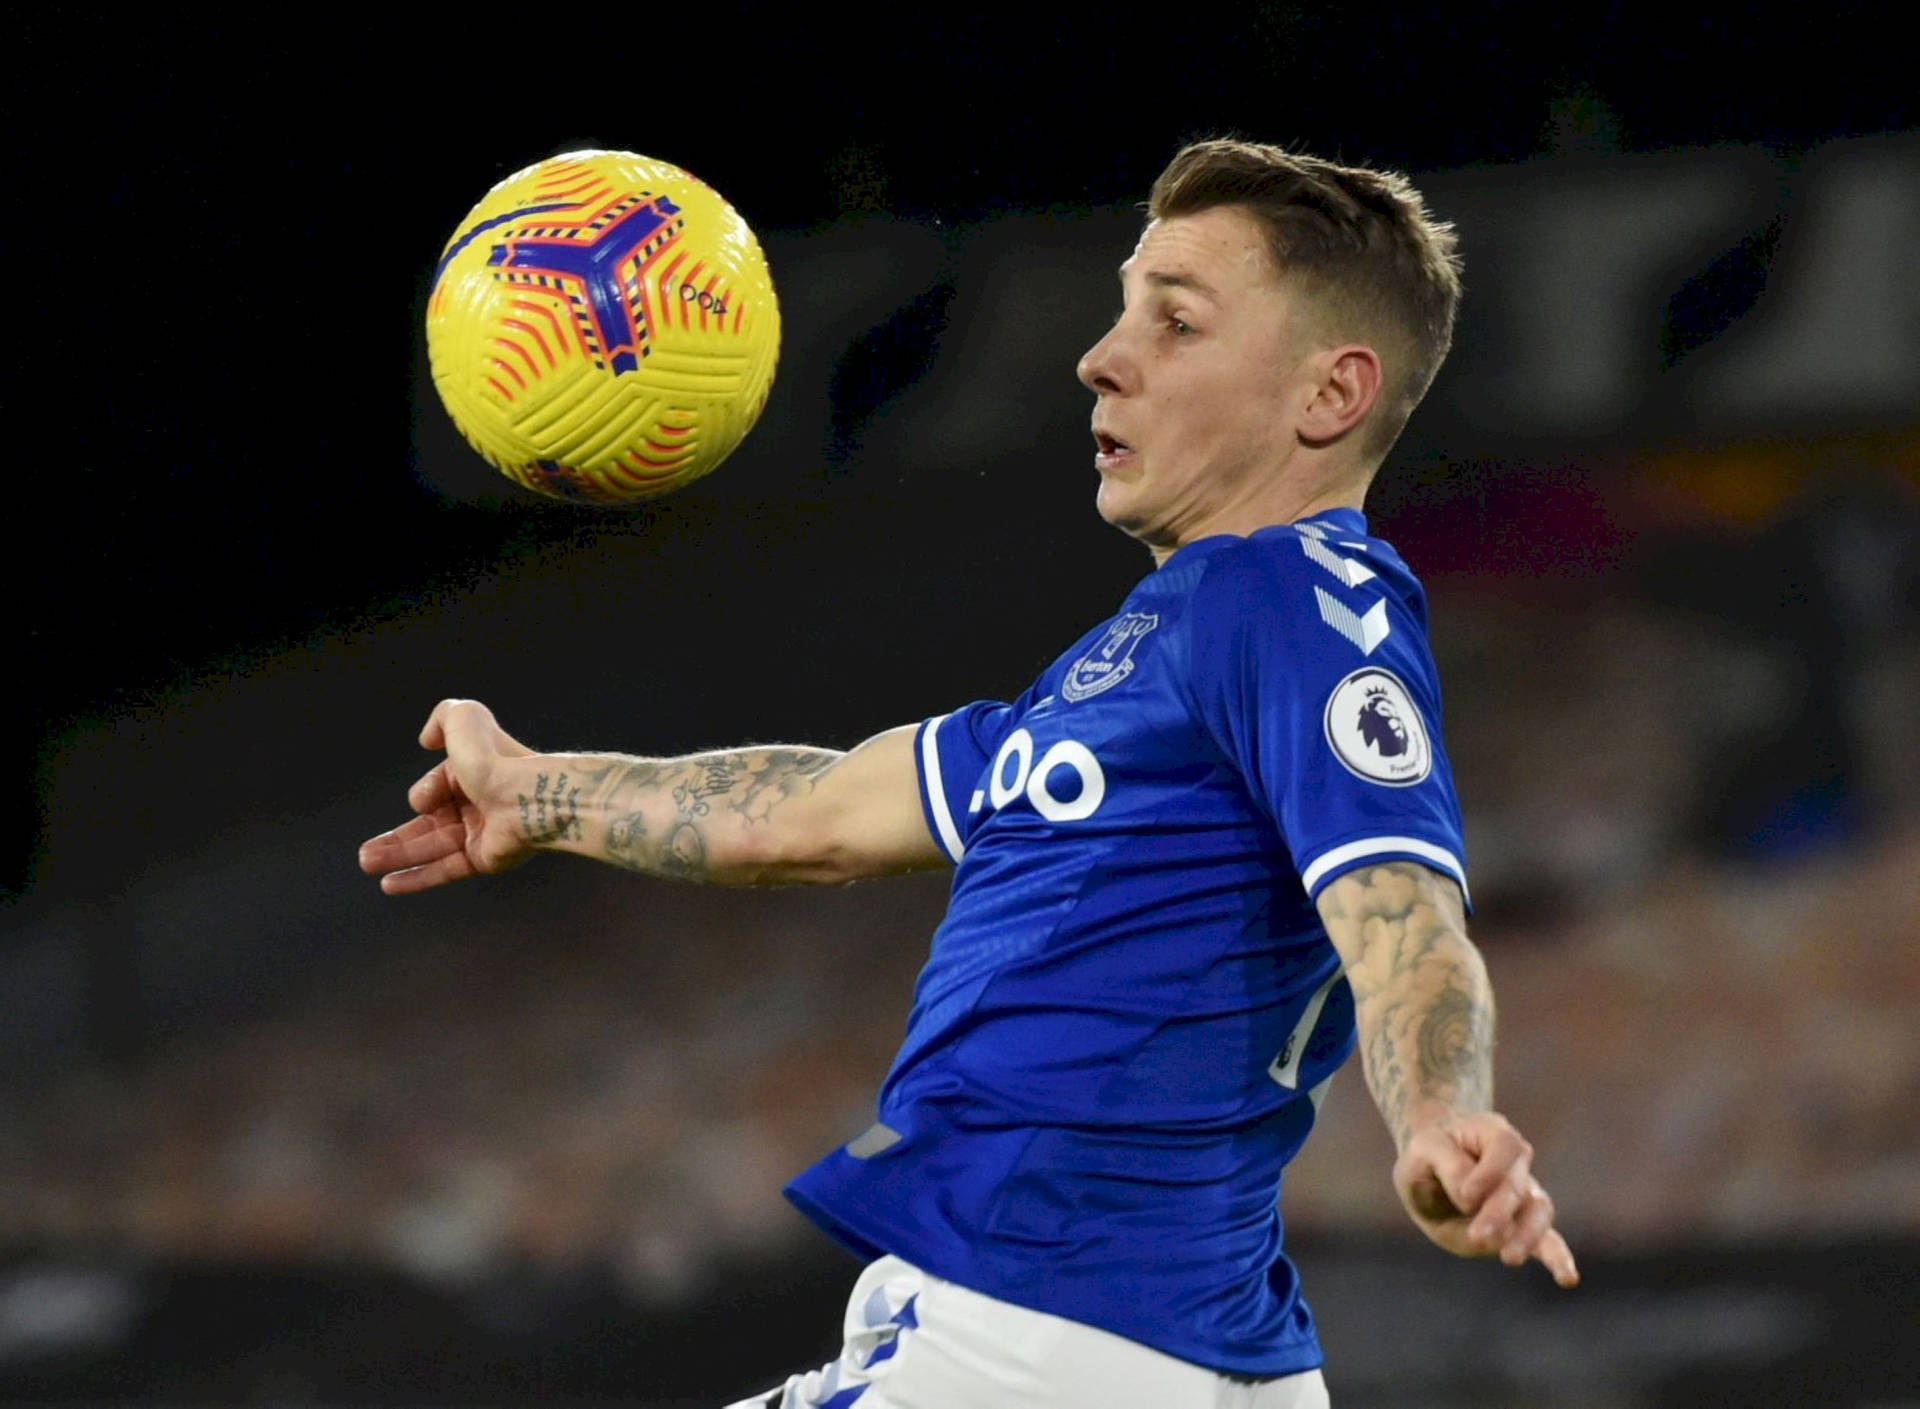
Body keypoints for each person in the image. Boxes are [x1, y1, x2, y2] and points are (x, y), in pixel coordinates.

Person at [361, 138, 1577, 1408]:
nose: (1102, 357)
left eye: (1175, 322)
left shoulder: (1292, 602)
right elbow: (818, 811)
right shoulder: (1148, 668)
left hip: (1050, 1331)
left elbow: (1400, 908)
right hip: (1169, 1343)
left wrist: (1442, 1116)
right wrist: (539, 793)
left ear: (1329, 396)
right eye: (1122, 310)